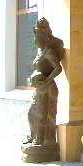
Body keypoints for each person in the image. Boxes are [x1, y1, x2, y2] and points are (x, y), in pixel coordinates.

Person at [23, 18, 64, 147]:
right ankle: (33, 135)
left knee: (42, 114)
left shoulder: (48, 52)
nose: (35, 40)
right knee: (31, 113)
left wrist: (47, 81)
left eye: (37, 37)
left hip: (47, 87)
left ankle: (40, 140)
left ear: (44, 38)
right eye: (35, 36)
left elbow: (58, 68)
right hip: (39, 87)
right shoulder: (40, 52)